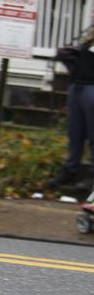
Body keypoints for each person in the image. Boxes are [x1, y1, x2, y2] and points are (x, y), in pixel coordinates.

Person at [47, 19, 94, 190]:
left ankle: (91, 177)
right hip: (78, 87)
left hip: (91, 87)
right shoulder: (88, 38)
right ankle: (71, 170)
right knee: (75, 133)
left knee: (92, 133)